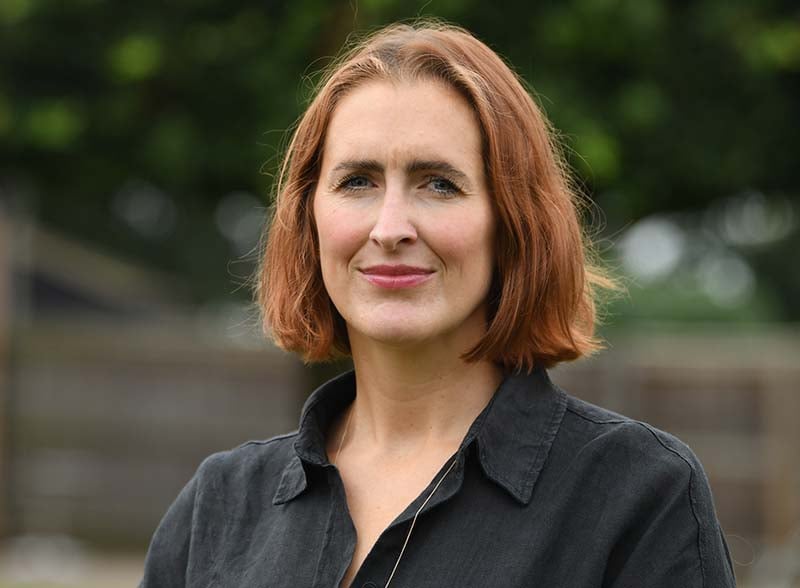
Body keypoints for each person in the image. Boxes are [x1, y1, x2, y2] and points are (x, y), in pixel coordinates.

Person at [140, 21, 736, 588]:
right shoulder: (221, 506)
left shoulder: (637, 494)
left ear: (512, 222)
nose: (390, 228)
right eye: (357, 182)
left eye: (439, 184)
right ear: (309, 216)